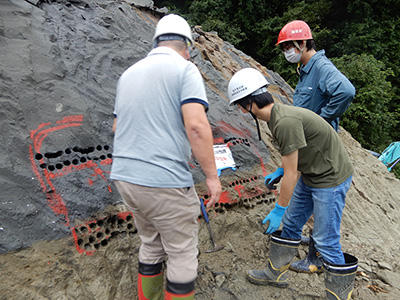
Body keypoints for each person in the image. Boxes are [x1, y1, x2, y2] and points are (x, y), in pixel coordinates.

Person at [110, 14, 222, 300]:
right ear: (186, 45)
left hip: (126, 178)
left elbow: (116, 127)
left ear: (156, 41)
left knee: (151, 243)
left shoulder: (128, 74)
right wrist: (212, 177)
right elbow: (196, 126)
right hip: (163, 182)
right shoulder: (184, 69)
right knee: (183, 252)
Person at [227, 68, 358, 300]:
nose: (239, 109)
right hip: (312, 171)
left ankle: (339, 296)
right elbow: (294, 156)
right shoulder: (275, 117)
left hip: (330, 177)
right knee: (291, 225)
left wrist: (278, 208)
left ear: (249, 102)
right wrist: (280, 169)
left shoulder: (284, 122)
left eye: (239, 104)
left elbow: (291, 175)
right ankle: (275, 273)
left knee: (326, 241)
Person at [273, 20, 356, 273]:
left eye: (290, 45)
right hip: (310, 162)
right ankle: (280, 267)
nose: (287, 50)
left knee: (326, 234)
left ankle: (325, 265)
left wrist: (324, 117)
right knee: (294, 220)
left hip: (324, 162)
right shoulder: (306, 69)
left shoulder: (321, 66)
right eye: (284, 46)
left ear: (304, 42)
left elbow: (346, 90)